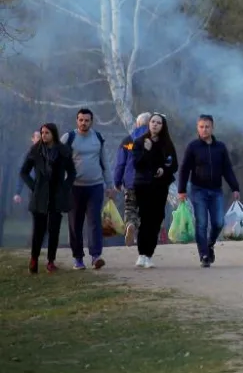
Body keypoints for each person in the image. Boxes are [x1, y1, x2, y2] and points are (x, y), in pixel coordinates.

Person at [177, 114, 241, 268]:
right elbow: (184, 170)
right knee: (202, 224)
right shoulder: (193, 147)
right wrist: (181, 190)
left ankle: (210, 244)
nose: (204, 130)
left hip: (216, 190)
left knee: (218, 222)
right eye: (201, 127)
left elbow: (227, 169)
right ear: (197, 128)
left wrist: (235, 188)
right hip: (198, 190)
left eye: (207, 127)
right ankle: (204, 254)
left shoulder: (220, 148)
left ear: (212, 128)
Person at [20, 123, 76, 274]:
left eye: (47, 133)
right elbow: (24, 172)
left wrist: (65, 186)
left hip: (57, 194)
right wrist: (34, 186)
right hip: (40, 196)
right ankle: (34, 259)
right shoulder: (35, 151)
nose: (44, 135)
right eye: (42, 132)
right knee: (39, 229)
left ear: (54, 134)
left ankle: (51, 261)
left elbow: (72, 172)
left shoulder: (63, 151)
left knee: (54, 229)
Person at [126, 113, 178, 269]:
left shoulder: (167, 145)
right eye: (153, 122)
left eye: (159, 123)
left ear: (163, 126)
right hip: (143, 185)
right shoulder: (140, 142)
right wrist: (146, 150)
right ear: (148, 124)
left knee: (156, 219)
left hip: (160, 187)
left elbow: (173, 165)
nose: (155, 125)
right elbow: (137, 164)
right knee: (145, 218)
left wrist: (164, 170)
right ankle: (142, 253)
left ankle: (149, 254)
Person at [63, 107, 112, 270]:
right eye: (81, 120)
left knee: (94, 221)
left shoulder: (98, 137)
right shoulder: (68, 138)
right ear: (77, 121)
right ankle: (78, 258)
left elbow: (105, 162)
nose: (84, 123)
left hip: (95, 186)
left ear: (91, 121)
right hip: (74, 188)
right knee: (75, 223)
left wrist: (110, 184)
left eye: (87, 120)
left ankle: (96, 255)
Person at [114, 112, 152, 246]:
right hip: (149, 183)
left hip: (131, 183)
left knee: (130, 208)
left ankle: (130, 224)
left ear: (137, 124)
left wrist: (117, 181)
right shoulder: (155, 140)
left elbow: (120, 163)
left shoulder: (128, 141)